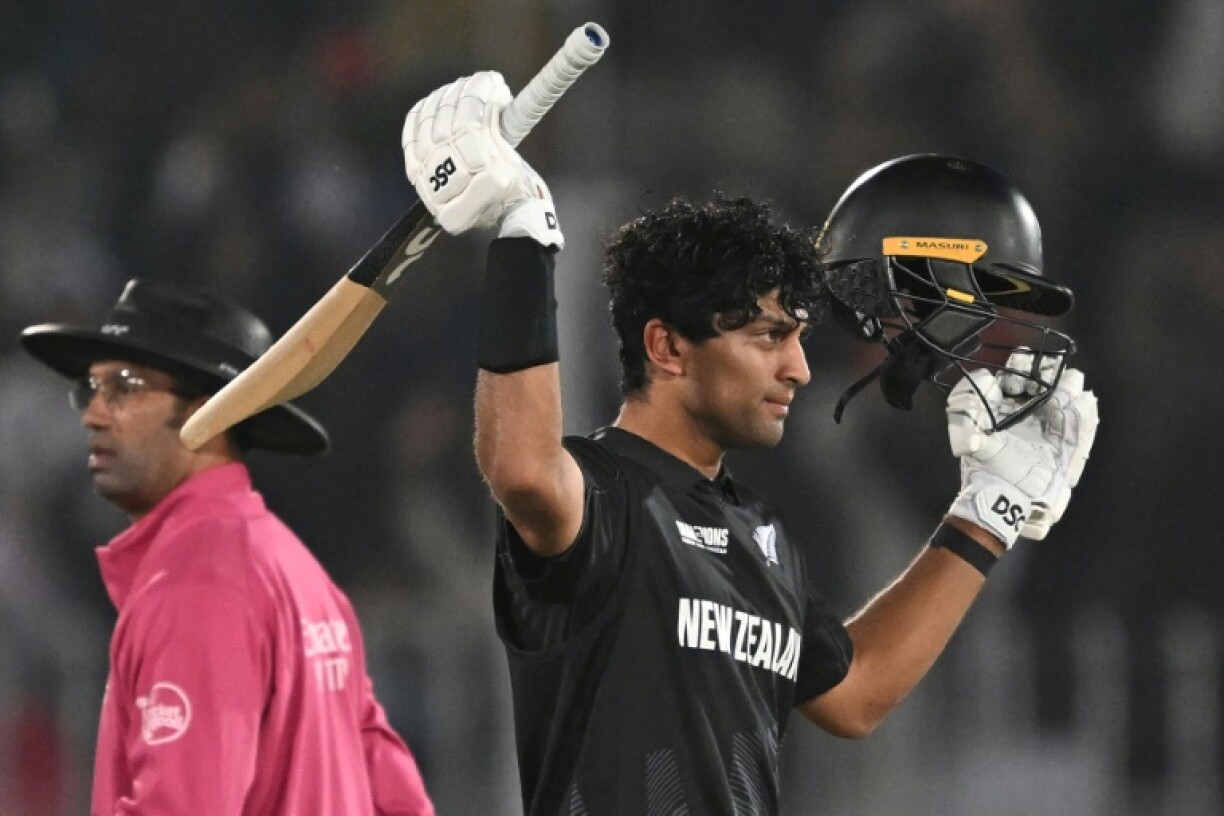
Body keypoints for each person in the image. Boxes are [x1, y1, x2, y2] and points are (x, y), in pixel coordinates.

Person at [401, 73, 1099, 814]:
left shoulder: (760, 536)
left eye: (797, 338)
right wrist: (523, 237)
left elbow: (855, 694)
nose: (797, 367)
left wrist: (985, 514)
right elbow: (522, 469)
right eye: (769, 337)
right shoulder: (607, 495)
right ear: (667, 347)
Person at [19, 280, 434, 816]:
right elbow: (398, 798)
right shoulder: (300, 573)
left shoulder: (196, 587)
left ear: (208, 414)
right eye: (90, 389)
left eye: (124, 387)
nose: (92, 414)